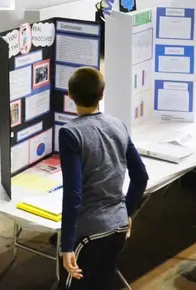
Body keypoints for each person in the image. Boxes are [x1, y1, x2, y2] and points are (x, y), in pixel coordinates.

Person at [59, 67, 148, 286]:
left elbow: (73, 194)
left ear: (70, 96)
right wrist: (126, 211)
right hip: (118, 228)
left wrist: (67, 245)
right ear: (101, 94)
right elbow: (141, 177)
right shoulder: (118, 125)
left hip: (89, 233)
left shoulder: (70, 133)